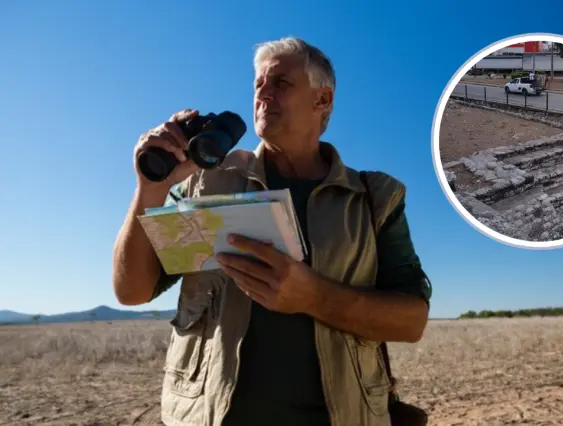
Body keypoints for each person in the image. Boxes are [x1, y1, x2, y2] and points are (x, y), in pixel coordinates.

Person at [112, 37, 432, 426]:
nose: (263, 93)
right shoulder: (207, 184)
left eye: (280, 83)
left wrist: (314, 297)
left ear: (323, 100)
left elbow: (411, 321)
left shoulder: (373, 199)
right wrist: (151, 186)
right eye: (258, 84)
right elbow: (132, 291)